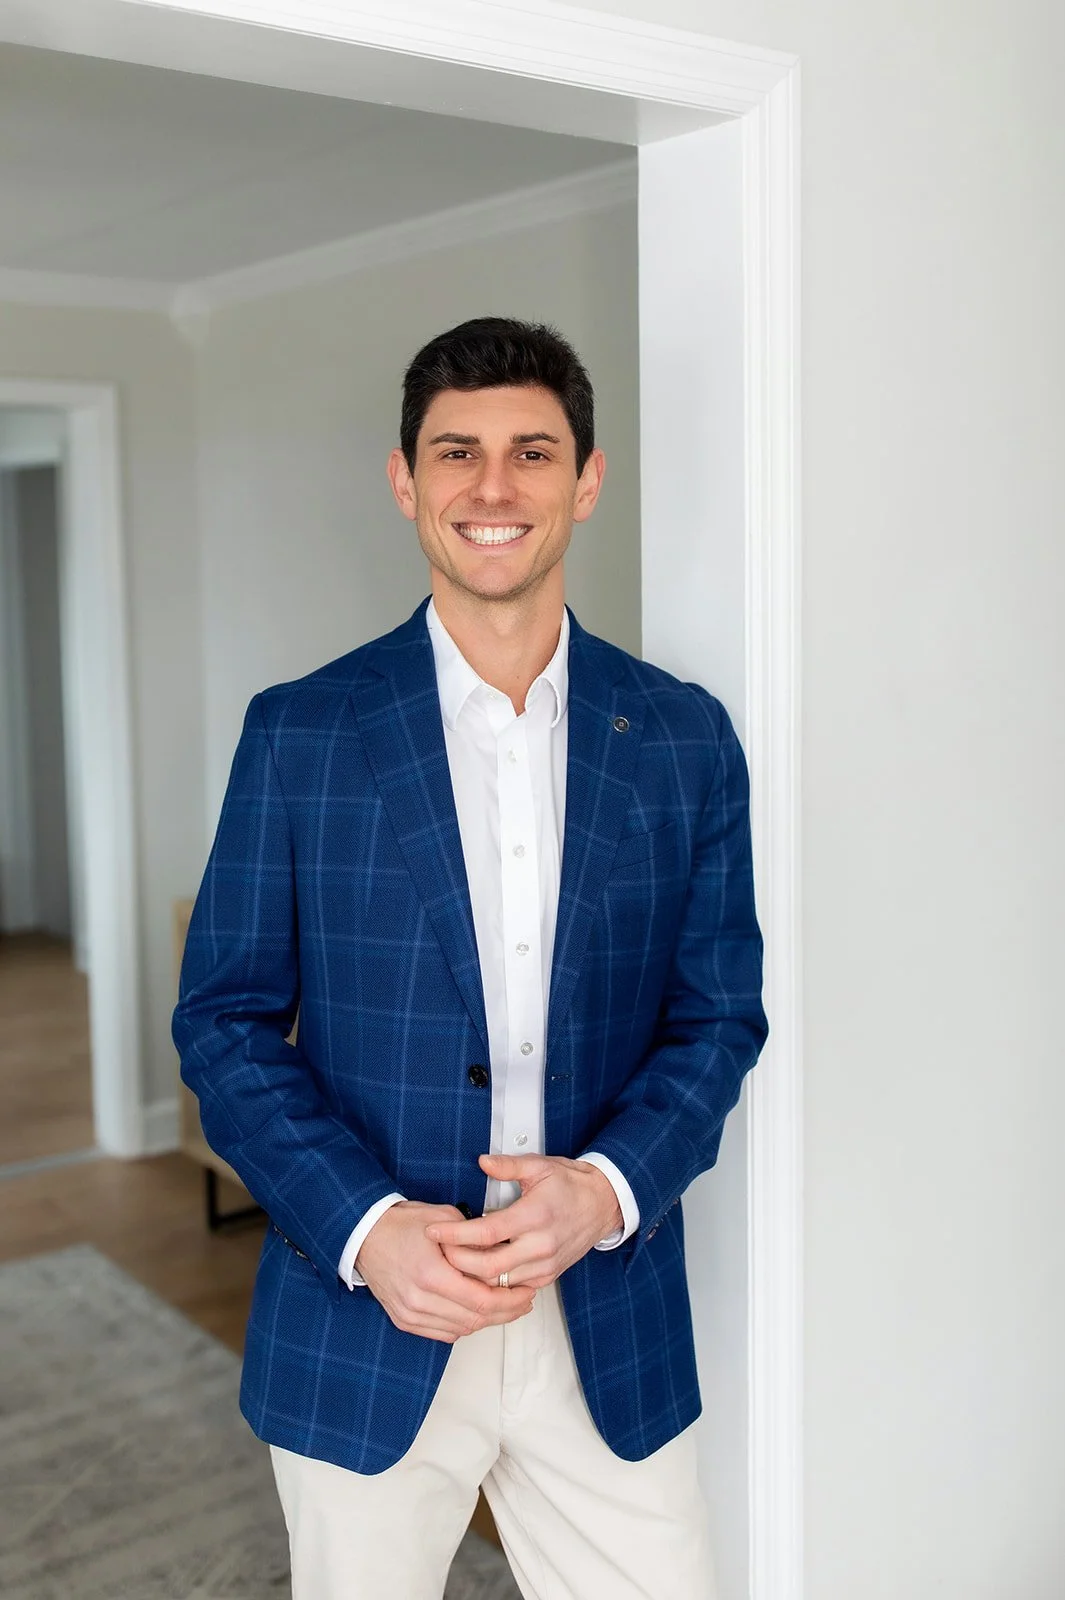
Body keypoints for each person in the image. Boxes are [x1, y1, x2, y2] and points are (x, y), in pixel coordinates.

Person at [172, 316, 768, 1600]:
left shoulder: (681, 737)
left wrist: (605, 1187)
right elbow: (220, 1020)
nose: (492, 489)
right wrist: (369, 1227)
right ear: (405, 481)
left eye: (531, 453)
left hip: (600, 1317)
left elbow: (718, 1016)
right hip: (368, 1315)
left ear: (586, 479)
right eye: (457, 452)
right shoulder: (301, 732)